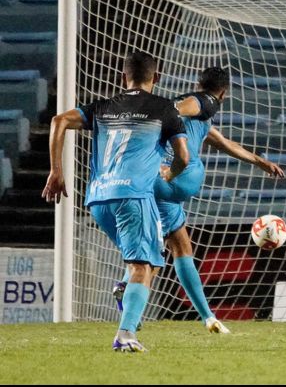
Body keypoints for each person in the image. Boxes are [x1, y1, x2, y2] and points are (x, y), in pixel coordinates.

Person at [112, 67, 286, 334]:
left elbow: (225, 143)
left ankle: (207, 317)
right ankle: (133, 291)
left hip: (156, 185)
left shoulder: (201, 120)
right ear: (224, 93)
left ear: (198, 81)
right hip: (172, 181)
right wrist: (165, 109)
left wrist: (261, 162)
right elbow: (181, 106)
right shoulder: (204, 102)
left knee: (176, 245)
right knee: (164, 253)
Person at [43, 51, 189, 352]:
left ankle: (126, 294)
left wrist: (56, 170)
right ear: (157, 77)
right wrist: (169, 174)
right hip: (133, 195)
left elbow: (59, 120)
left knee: (148, 258)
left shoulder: (103, 107)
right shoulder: (163, 107)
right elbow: (183, 157)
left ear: (124, 77)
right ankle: (124, 334)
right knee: (142, 265)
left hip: (98, 199)